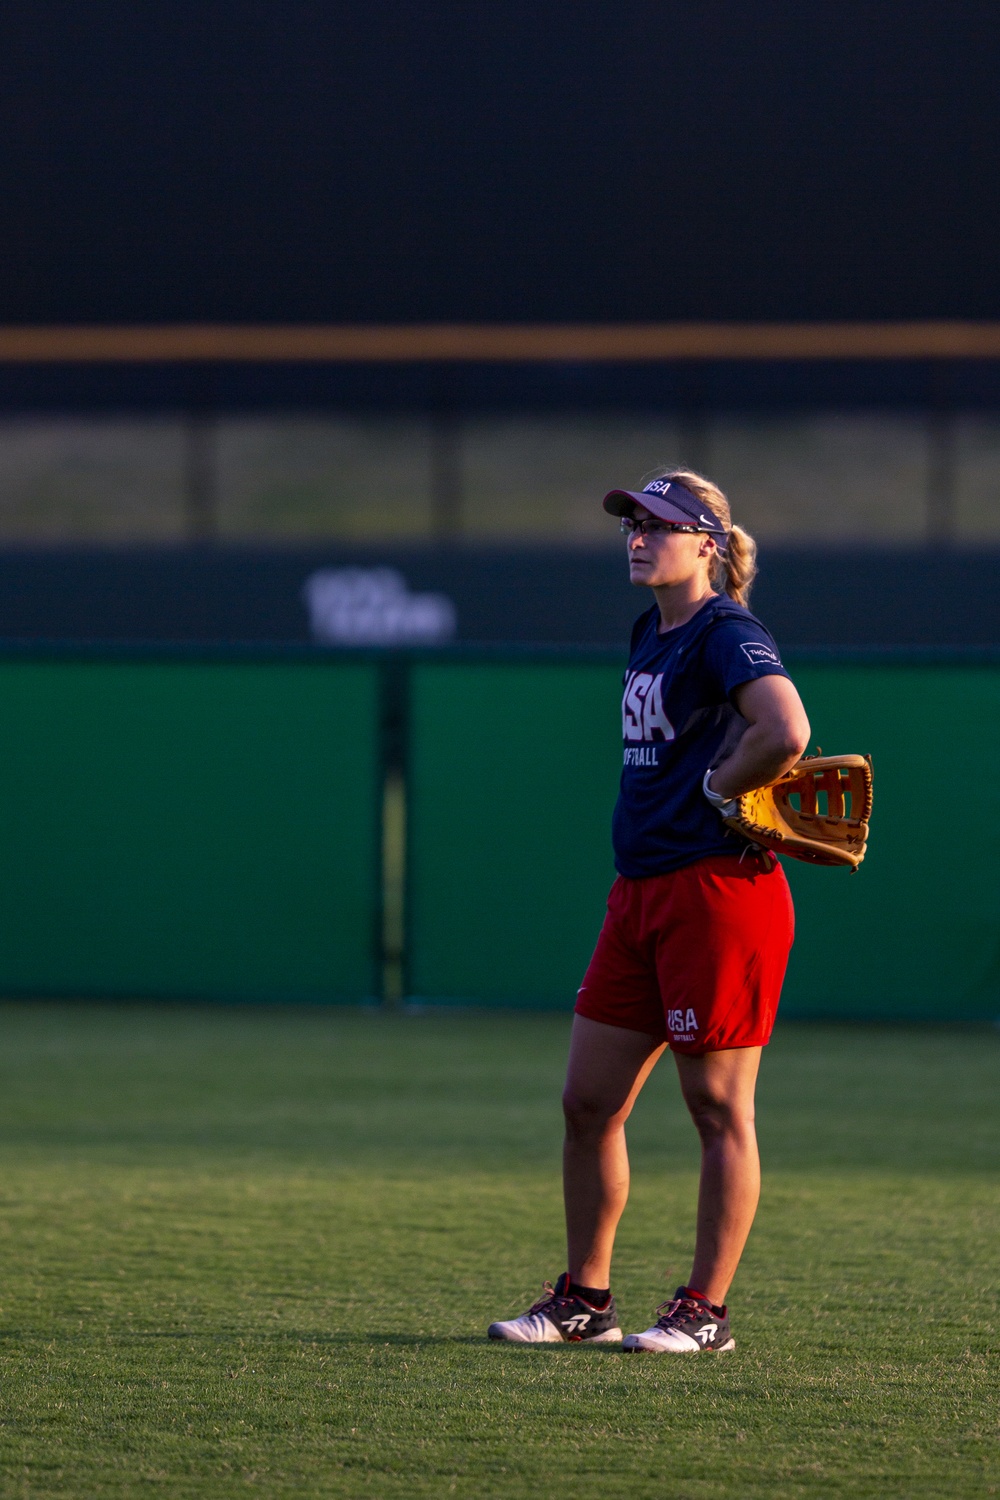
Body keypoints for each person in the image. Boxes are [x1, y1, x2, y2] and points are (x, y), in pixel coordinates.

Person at [488, 468, 810, 1354]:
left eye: (661, 523)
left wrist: (719, 783)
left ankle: (705, 1312)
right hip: (638, 893)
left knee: (716, 1109)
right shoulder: (653, 630)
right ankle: (584, 1302)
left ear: (708, 542)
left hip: (718, 892)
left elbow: (786, 729)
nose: (638, 535)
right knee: (588, 1102)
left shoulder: (725, 630)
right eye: (632, 522)